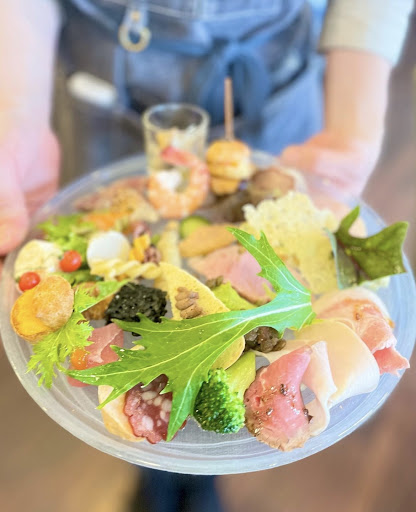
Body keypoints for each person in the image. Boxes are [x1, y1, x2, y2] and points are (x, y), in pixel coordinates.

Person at [0, 1, 413, 511]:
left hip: (272, 91)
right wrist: (15, 119)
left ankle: (203, 479)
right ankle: (153, 467)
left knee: (231, 373)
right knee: (139, 365)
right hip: (112, 102)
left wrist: (352, 131)